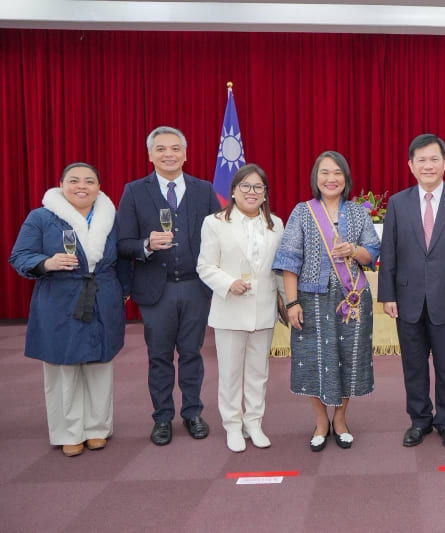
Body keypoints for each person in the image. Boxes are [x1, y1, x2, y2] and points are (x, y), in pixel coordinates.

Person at [9, 162, 127, 457]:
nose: (82, 186)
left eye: (89, 181)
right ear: (60, 185)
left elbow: (123, 257)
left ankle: (98, 427)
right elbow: (20, 255)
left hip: (102, 296)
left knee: (100, 365)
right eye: (74, 180)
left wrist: (123, 291)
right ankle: (69, 431)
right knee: (64, 367)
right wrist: (47, 263)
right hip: (59, 299)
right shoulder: (41, 217)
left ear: (99, 187)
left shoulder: (110, 216)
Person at [117, 126, 221, 446]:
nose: (168, 154)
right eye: (160, 149)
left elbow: (220, 238)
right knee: (159, 357)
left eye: (175, 148)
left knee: (192, 354)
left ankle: (192, 412)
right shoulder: (134, 191)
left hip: (195, 288)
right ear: (150, 155)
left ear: (185, 154)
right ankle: (162, 417)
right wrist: (146, 245)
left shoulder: (204, 190)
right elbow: (122, 244)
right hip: (155, 290)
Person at [378, 133, 445, 451]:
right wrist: (388, 295)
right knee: (413, 364)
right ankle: (420, 420)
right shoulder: (397, 203)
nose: (428, 165)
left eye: (434, 158)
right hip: (407, 299)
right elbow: (389, 252)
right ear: (411, 165)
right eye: (421, 159)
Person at [273, 150, 380, 452]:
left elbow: (373, 252)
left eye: (337, 173)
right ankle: (321, 421)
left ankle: (341, 419)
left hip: (352, 300)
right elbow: (289, 260)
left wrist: (354, 250)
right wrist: (292, 303)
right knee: (313, 360)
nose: (331, 178)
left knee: (350, 358)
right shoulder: (302, 211)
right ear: (315, 178)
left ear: (345, 178)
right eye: (324, 172)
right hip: (311, 299)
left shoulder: (358, 212)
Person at [197, 164, 285, 453]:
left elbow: (280, 270)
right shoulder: (214, 222)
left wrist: (289, 304)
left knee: (258, 372)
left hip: (263, 311)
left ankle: (254, 422)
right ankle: (232, 426)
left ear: (265, 194)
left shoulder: (276, 224)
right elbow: (205, 266)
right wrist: (228, 282)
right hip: (230, 309)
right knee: (231, 372)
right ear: (233, 190)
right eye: (245, 186)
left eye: (258, 187)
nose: (251, 192)